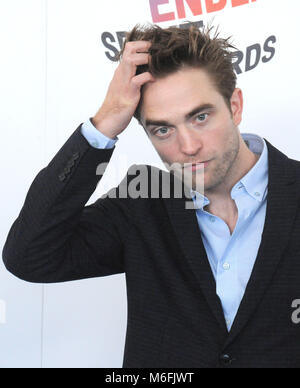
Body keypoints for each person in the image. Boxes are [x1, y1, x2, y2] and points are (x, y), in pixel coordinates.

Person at [2, 23, 300, 368]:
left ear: (234, 105)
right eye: (163, 129)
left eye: (200, 117)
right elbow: (29, 256)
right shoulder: (142, 201)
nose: (188, 147)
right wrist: (105, 123)